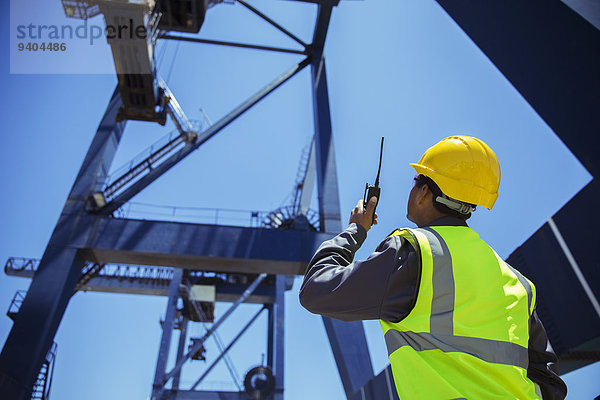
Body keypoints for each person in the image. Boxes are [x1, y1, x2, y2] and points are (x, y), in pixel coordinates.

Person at [299, 136, 567, 399]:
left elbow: (316, 290)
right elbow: (549, 382)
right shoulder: (518, 282)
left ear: (424, 191)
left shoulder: (414, 252)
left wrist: (355, 230)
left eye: (417, 181)